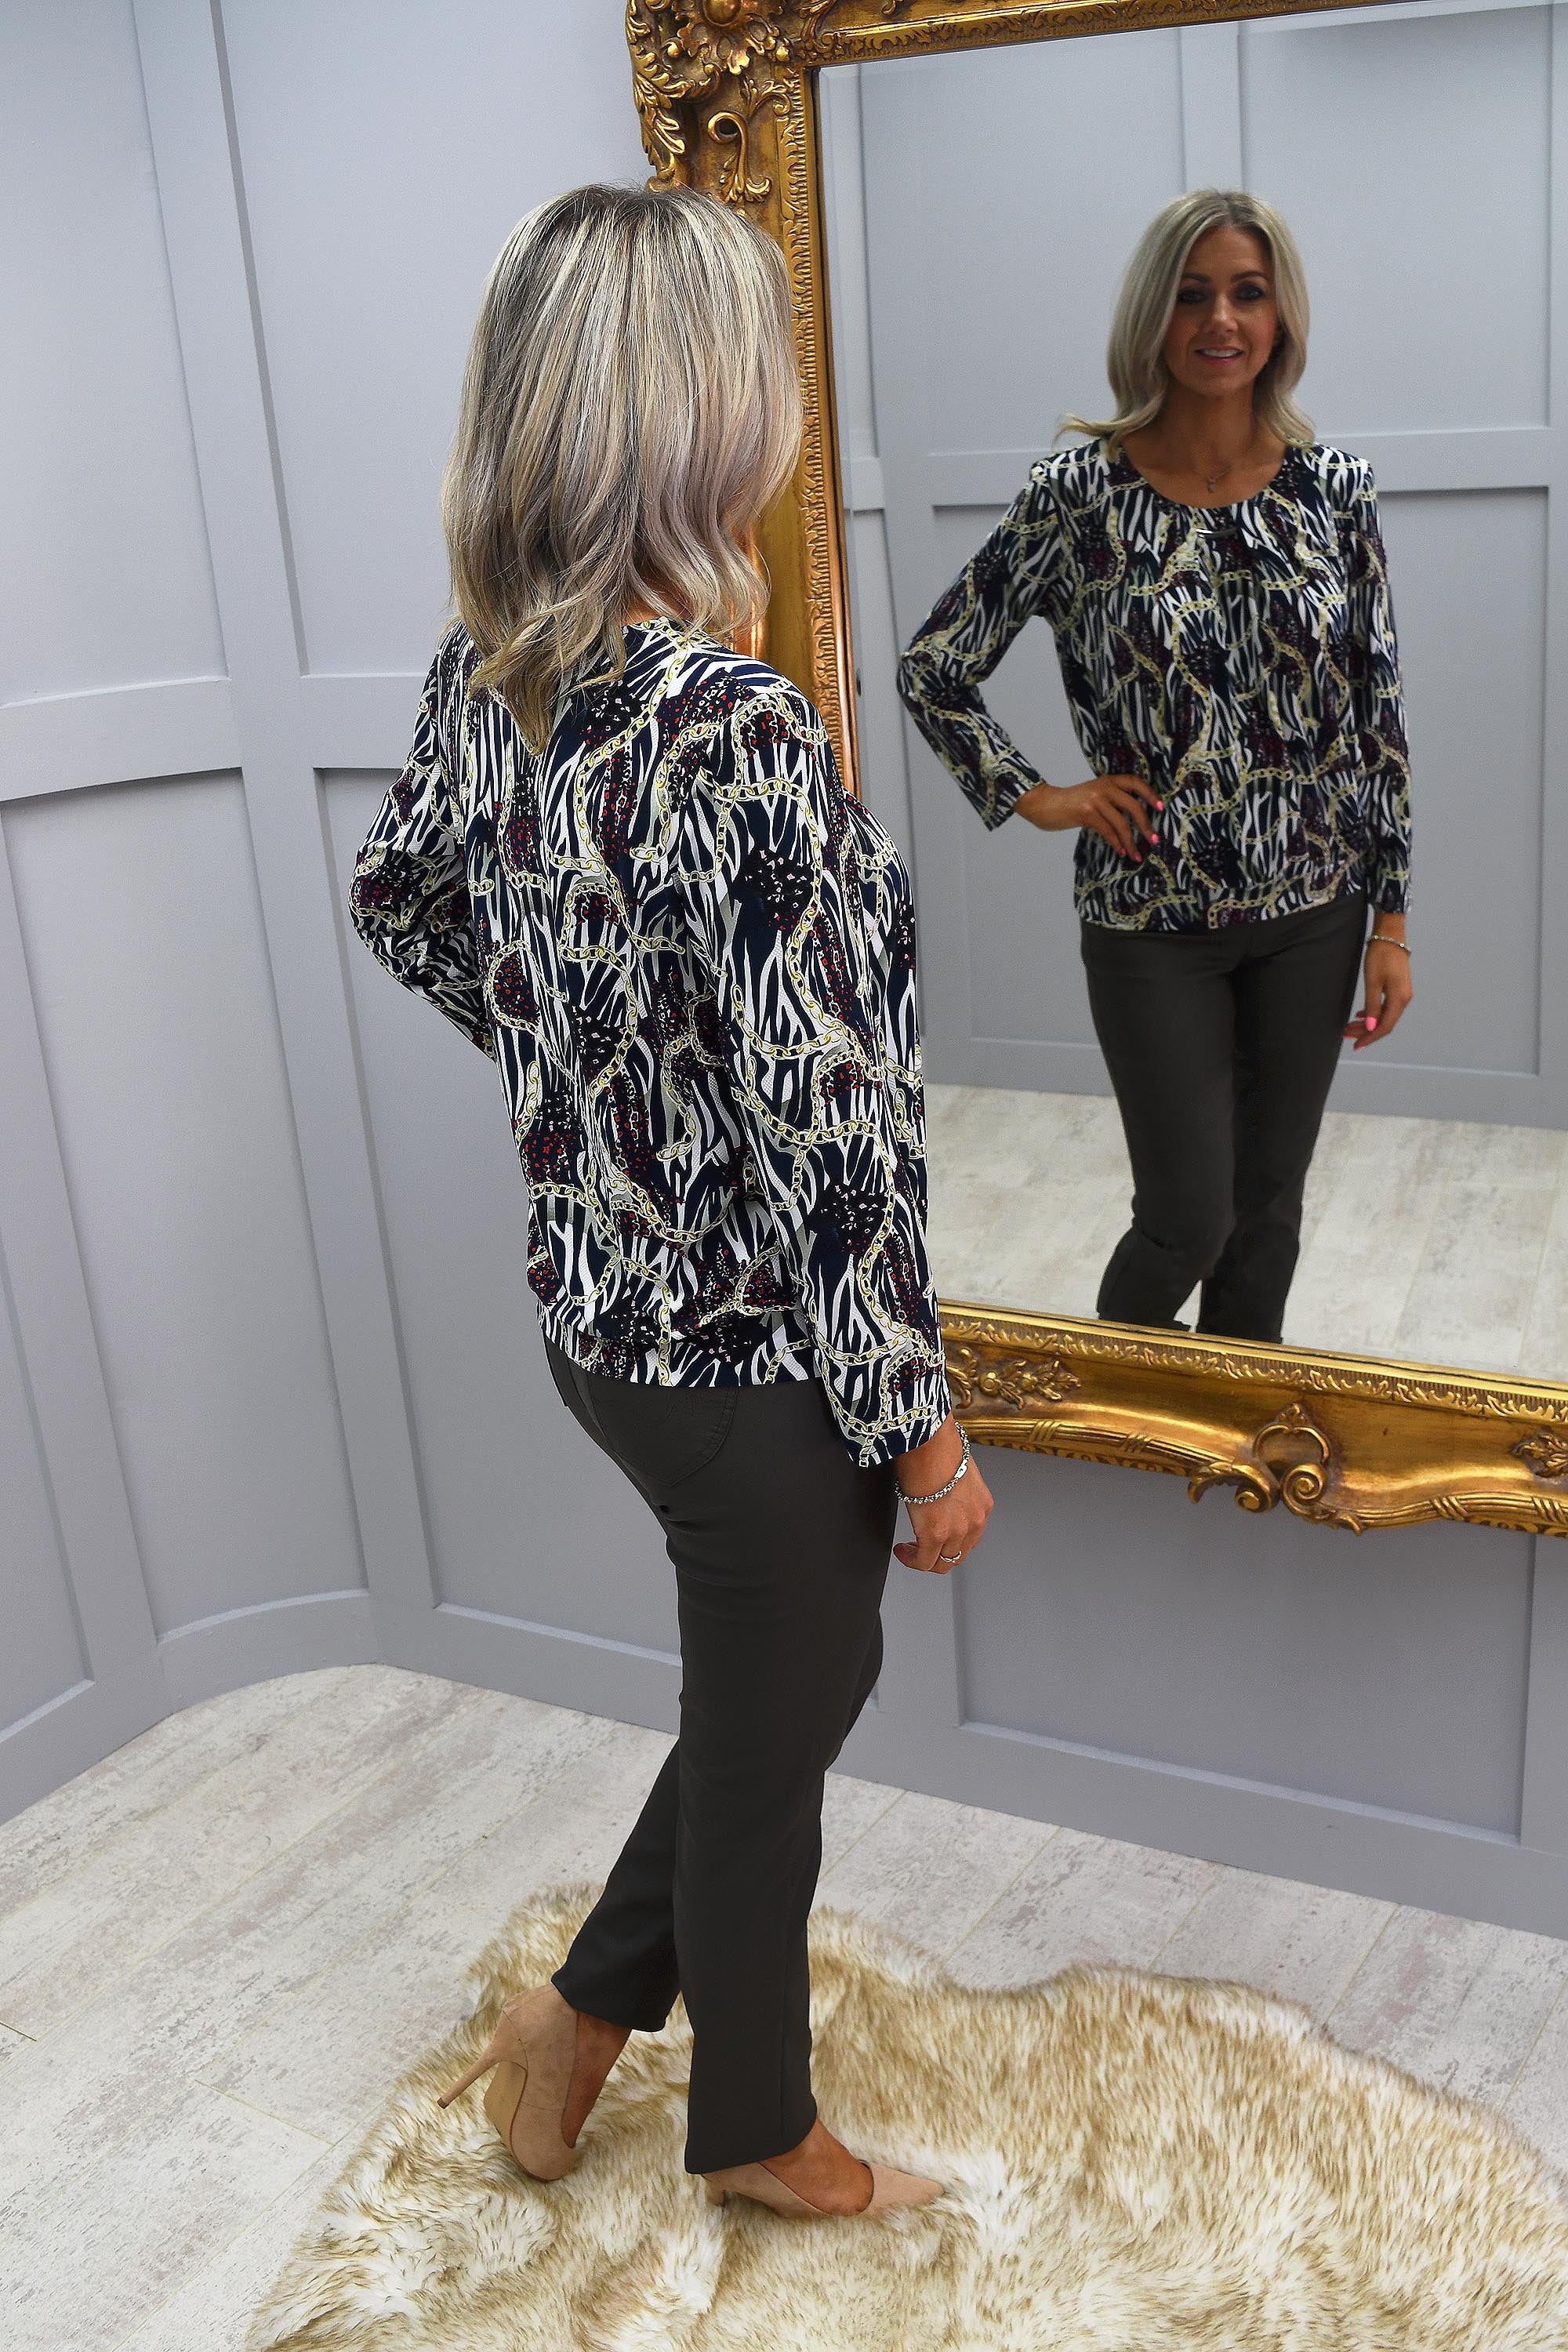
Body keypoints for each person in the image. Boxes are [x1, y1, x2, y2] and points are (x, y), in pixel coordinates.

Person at [347, 183, 992, 2221]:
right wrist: (921, 1427)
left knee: (785, 1687)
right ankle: (757, 2131)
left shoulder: (489, 679)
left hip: (597, 1323)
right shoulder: (733, 730)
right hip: (743, 1354)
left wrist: (589, 1093)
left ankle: (576, 2023)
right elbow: (828, 1124)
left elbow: (403, 900)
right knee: (780, 1721)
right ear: (699, 410)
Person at [896, 189, 1414, 1344]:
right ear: (1152, 318)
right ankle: (1095, 1405)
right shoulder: (1076, 498)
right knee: (1188, 1217)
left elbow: (1376, 714)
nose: (1221, 320)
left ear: (1280, 317)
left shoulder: (1337, 492)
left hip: (1315, 913)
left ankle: (1227, 1432)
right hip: (1150, 917)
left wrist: (1392, 921)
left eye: (1247, 293)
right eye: (1191, 295)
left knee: (1267, 1220)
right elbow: (935, 666)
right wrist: (1037, 795)